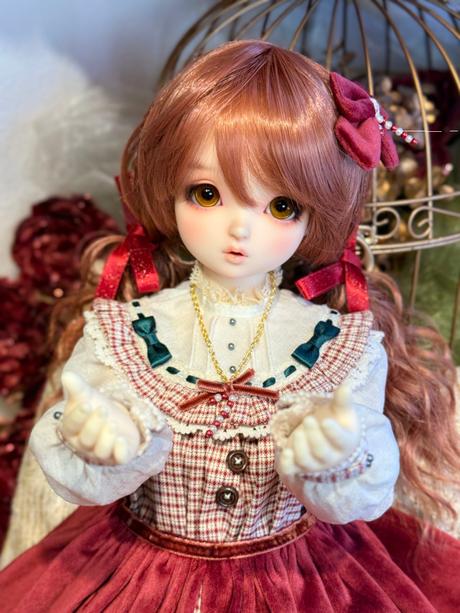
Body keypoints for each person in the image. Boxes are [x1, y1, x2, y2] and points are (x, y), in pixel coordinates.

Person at [0, 40, 458, 612]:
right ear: (170, 188)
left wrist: (337, 457)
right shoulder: (127, 334)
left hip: (296, 579)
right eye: (208, 194)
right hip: (141, 577)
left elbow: (361, 491)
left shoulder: (338, 346)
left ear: (319, 211)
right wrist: (100, 442)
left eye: (281, 206)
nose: (239, 229)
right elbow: (77, 464)